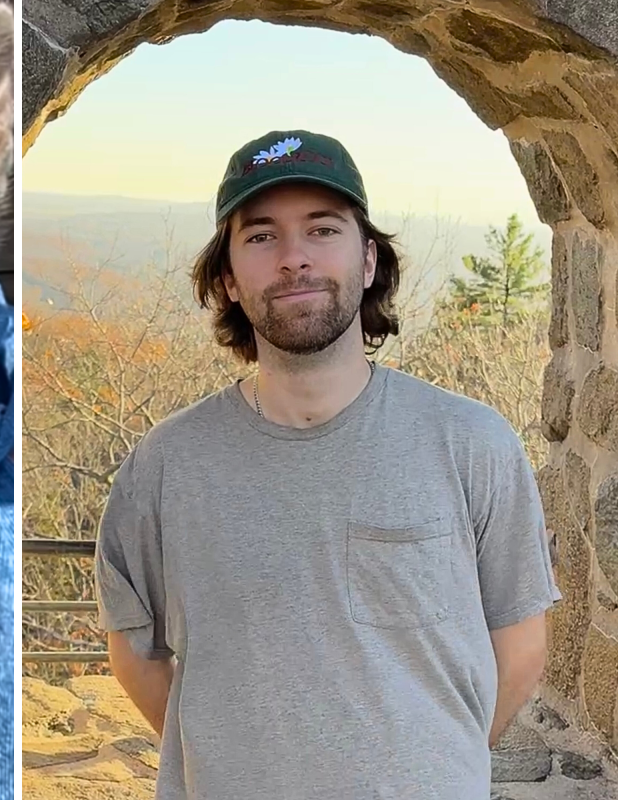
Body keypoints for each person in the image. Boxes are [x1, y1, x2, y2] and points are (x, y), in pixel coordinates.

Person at [94, 130, 560, 800]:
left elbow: (519, 651)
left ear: (369, 259)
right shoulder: (163, 468)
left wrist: (431, 768)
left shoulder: (471, 445)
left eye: (322, 229)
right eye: (260, 237)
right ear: (227, 277)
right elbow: (137, 657)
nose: (294, 259)